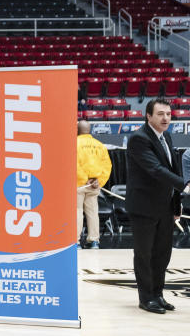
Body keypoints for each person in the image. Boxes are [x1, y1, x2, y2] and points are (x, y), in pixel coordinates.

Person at [125, 99, 184, 314]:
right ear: (148, 116)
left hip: (165, 207)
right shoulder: (138, 139)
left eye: (168, 114)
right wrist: (184, 185)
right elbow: (156, 170)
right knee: (144, 254)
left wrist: (176, 204)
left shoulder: (166, 136)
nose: (165, 118)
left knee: (162, 254)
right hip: (143, 207)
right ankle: (146, 298)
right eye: (160, 114)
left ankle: (158, 294)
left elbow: (173, 168)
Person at [76, 120, 112, 249]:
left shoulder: (73, 144)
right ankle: (94, 241)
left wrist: (84, 179)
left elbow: (73, 164)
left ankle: (76, 242)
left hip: (78, 185)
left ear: (77, 130)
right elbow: (107, 166)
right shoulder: (100, 145)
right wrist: (98, 182)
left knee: (77, 212)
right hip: (94, 186)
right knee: (93, 212)